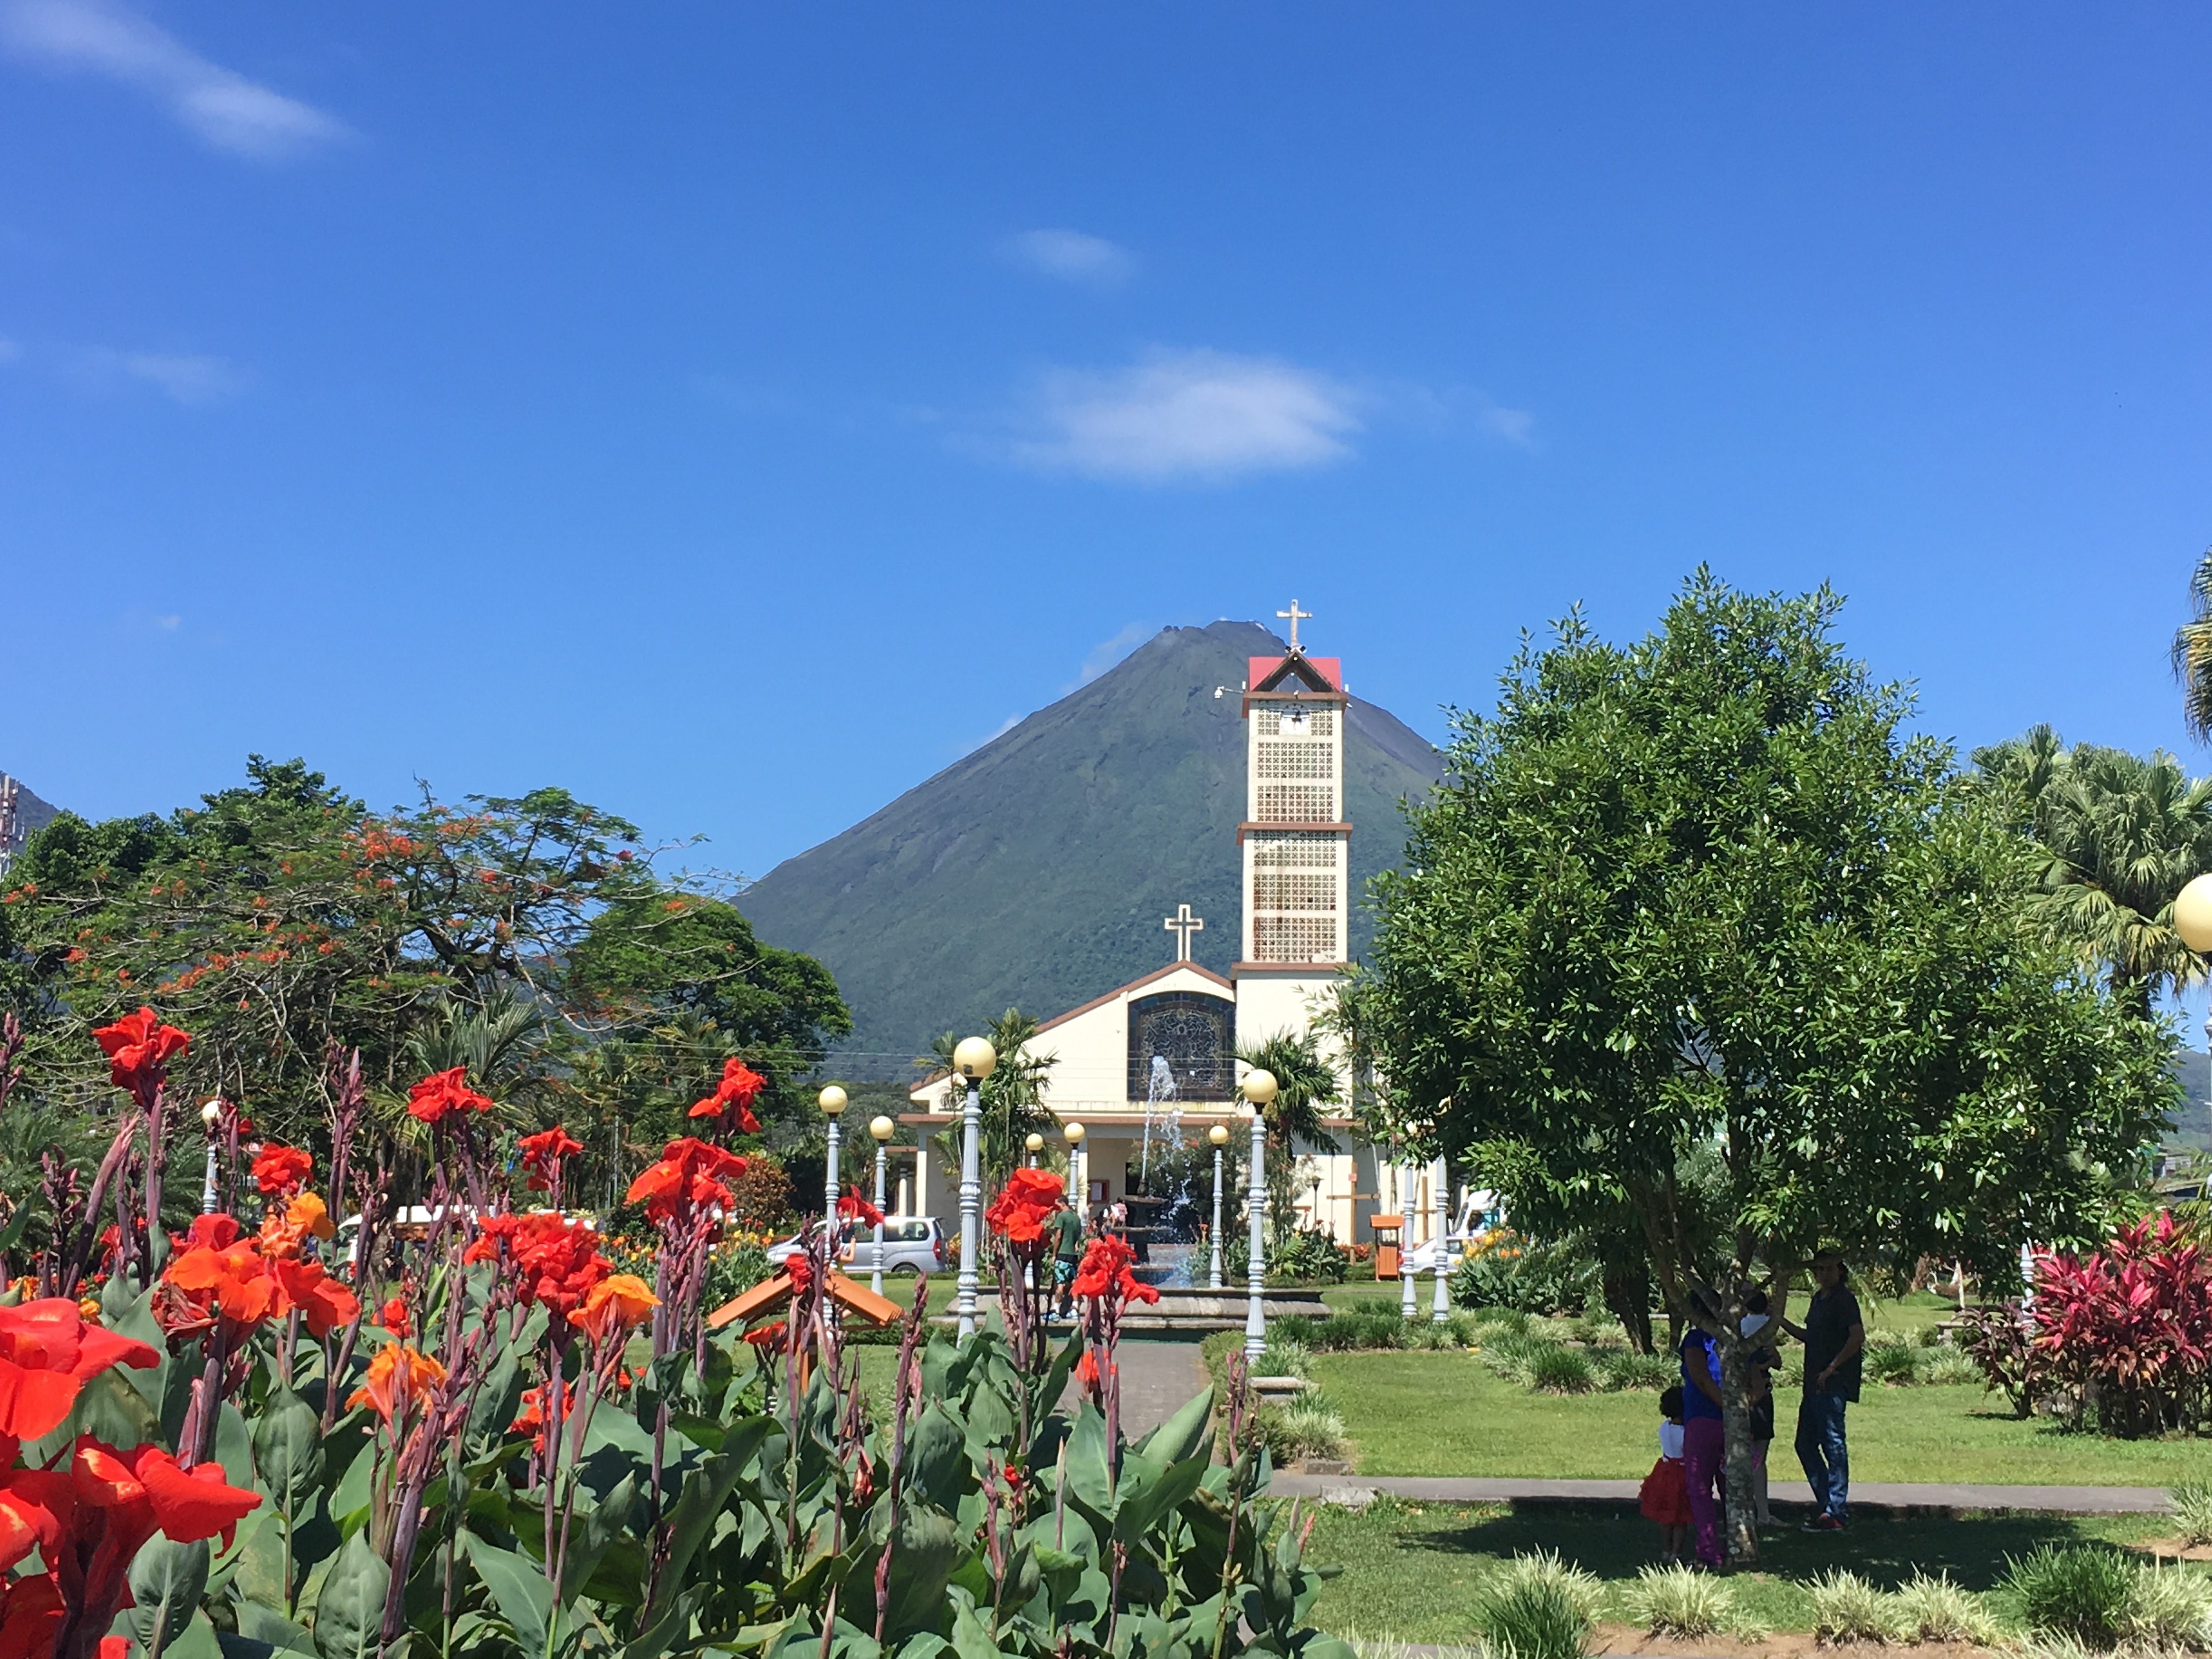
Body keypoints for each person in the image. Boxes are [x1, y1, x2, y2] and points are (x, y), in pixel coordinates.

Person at [1781, 1248, 1865, 1532]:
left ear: (1840, 1270)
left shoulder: (1844, 1299)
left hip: (1833, 1384)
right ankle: (1827, 1504)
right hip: (1812, 1384)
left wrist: (1833, 1367)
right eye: (1817, 1270)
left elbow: (1857, 1336)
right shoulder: (1818, 1299)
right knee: (1804, 1444)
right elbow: (1811, 1337)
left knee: (1834, 1445)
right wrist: (1778, 1321)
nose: (1822, 1274)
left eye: (1828, 1269)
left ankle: (1836, 1511)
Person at [1677, 1322, 1724, 1567]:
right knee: (1732, 1488)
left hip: (1703, 1419)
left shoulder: (1696, 1339)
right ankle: (1737, 1544)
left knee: (1700, 1488)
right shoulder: (1732, 1339)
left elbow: (1702, 1379)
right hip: (1733, 1425)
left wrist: (1724, 1405)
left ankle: (1709, 1551)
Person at [1638, 1385, 1692, 1564]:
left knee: (1665, 1517)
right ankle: (1677, 1552)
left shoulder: (1665, 1427)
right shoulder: (1686, 1432)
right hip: (1681, 1473)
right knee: (1680, 1518)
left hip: (1664, 1470)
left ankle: (1666, 1550)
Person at [1741, 1290, 1781, 1529]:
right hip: (1762, 1391)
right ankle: (1763, 1513)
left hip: (1742, 1393)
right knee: (1760, 1457)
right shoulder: (1768, 1325)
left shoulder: (1739, 1326)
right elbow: (1776, 1360)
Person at [1047, 1196, 1086, 1319]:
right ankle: (1075, 1309)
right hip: (1073, 1255)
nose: (1055, 1208)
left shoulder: (1062, 1217)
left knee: (1060, 1283)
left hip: (1062, 1254)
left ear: (1063, 1204)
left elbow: (1058, 1236)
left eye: (1057, 1205)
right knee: (1074, 1282)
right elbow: (1077, 1239)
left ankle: (1055, 1310)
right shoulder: (1076, 1218)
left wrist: (1054, 1254)